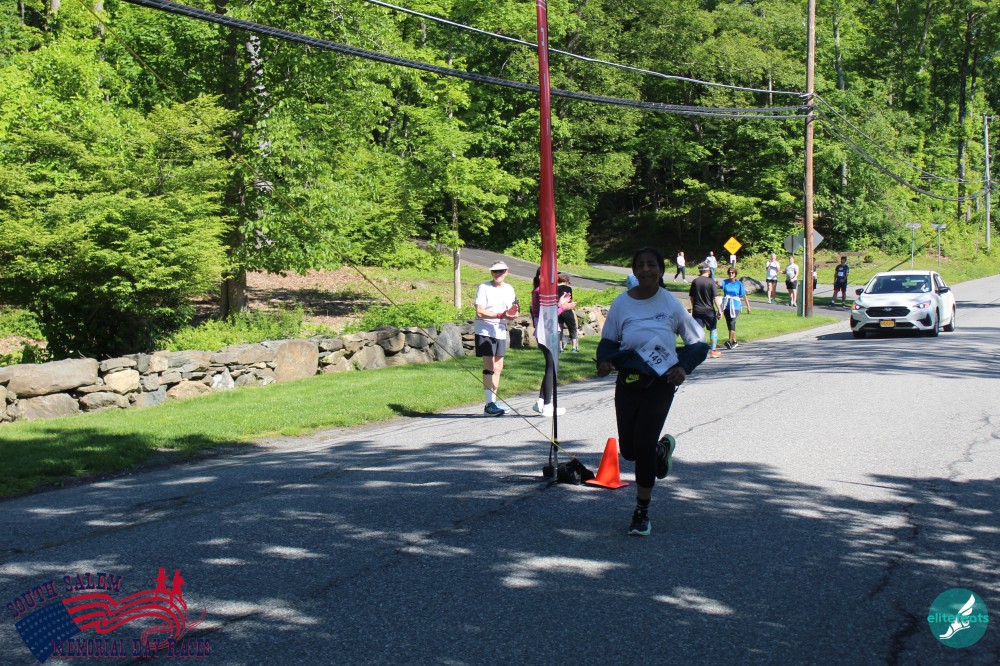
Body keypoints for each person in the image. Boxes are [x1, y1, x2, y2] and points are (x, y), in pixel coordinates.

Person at [596, 247, 708, 536]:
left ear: (661, 270)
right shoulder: (622, 304)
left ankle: (641, 512)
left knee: (643, 445)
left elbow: (698, 343)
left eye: (651, 265)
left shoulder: (670, 304)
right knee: (629, 450)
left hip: (660, 382)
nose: (646, 269)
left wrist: (683, 367)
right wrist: (604, 361)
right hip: (629, 380)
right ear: (634, 271)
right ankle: (660, 450)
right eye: (641, 265)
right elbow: (608, 342)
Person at [474, 261, 518, 416]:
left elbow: (514, 309)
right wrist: (500, 315)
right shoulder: (484, 287)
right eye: (494, 271)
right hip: (485, 330)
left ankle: (493, 401)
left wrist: (512, 315)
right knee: (489, 367)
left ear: (506, 272)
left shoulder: (509, 289)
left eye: (501, 271)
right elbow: (480, 311)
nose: (497, 274)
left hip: (499, 330)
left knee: (498, 367)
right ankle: (488, 405)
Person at [529, 268, 565, 417]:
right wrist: (563, 306)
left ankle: (541, 401)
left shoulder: (541, 291)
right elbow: (548, 314)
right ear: (541, 276)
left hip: (547, 331)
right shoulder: (541, 292)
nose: (555, 278)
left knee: (551, 366)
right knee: (552, 367)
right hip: (547, 332)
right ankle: (548, 406)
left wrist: (560, 304)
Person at [689, 263, 724, 358]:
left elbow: (691, 297)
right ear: (708, 271)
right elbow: (715, 297)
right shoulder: (711, 282)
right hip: (709, 310)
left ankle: (697, 351)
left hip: (697, 310)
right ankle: (713, 350)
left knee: (698, 331)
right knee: (713, 329)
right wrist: (720, 310)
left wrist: (694, 307)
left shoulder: (695, 281)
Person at [720, 266, 752, 349]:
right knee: (729, 324)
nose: (731, 274)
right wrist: (715, 283)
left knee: (732, 322)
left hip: (736, 306)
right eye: (729, 272)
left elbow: (744, 295)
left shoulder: (738, 283)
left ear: (735, 274)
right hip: (727, 305)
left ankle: (729, 342)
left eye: (732, 272)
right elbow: (719, 284)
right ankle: (734, 341)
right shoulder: (725, 282)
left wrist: (748, 306)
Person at [556, 273, 579, 353]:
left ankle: (560, 348)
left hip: (559, 310)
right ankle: (574, 347)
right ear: (566, 281)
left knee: (559, 329)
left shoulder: (555, 288)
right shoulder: (568, 288)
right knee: (572, 328)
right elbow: (570, 299)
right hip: (567, 310)